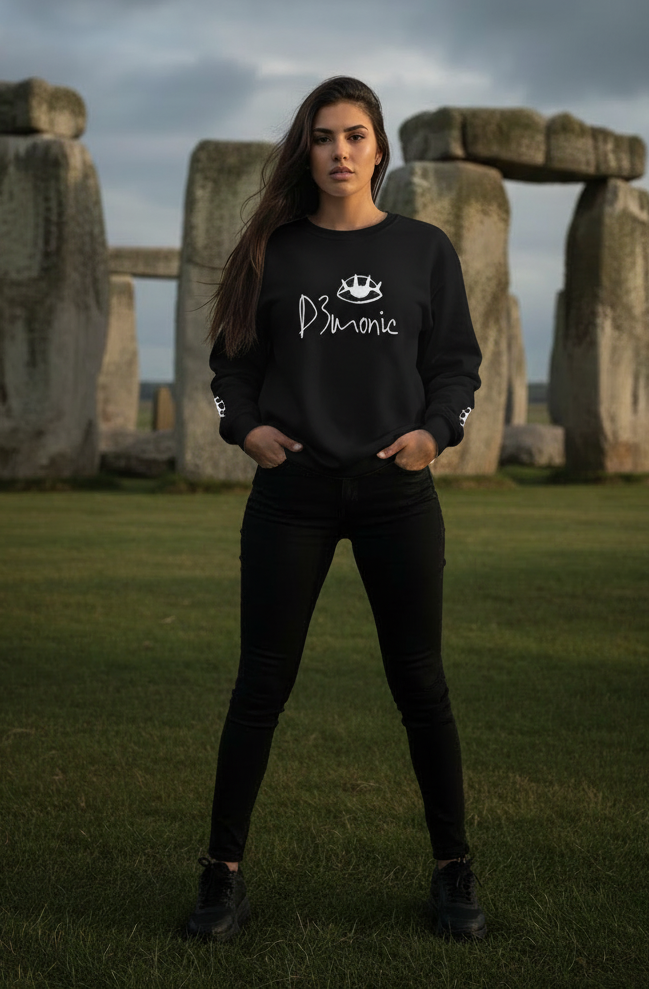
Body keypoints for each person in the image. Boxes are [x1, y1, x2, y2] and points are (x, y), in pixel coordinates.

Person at [184, 76, 486, 942]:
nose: (340, 151)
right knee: (260, 687)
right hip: (294, 497)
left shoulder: (425, 250)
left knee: (421, 685)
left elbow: (457, 368)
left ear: (380, 150)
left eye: (356, 135)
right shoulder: (272, 252)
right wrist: (247, 433)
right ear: (306, 152)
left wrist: (438, 434)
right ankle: (221, 874)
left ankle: (454, 866)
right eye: (323, 137)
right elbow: (228, 374)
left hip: (397, 495)